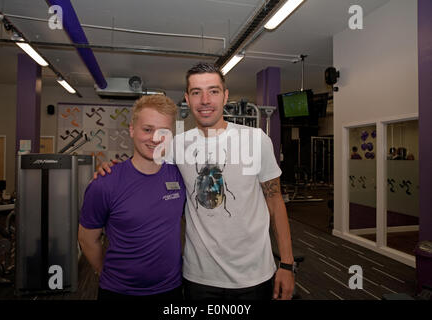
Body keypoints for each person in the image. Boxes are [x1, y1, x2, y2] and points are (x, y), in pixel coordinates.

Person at [97, 62, 295, 300]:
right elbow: (143, 165)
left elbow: (275, 201)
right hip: (198, 276)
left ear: (225, 96)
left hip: (254, 274)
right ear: (187, 99)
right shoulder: (176, 145)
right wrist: (111, 170)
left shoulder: (256, 140)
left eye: (213, 91)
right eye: (196, 92)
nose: (205, 100)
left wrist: (286, 263)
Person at [78, 95, 186, 300]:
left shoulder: (180, 176)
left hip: (171, 289)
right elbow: (87, 239)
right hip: (118, 291)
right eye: (147, 129)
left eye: (163, 131)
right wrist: (107, 273)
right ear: (131, 130)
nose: (155, 138)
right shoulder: (104, 183)